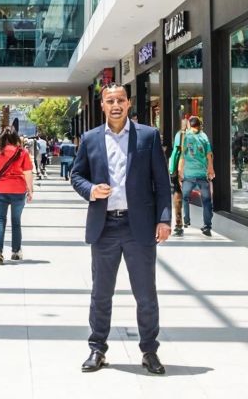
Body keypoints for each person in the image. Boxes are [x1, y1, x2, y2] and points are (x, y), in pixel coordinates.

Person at [70, 83, 171, 375]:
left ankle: (149, 350)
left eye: (121, 100)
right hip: (105, 227)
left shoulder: (148, 136)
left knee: (146, 294)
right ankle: (97, 348)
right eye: (110, 100)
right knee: (101, 293)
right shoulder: (89, 139)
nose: (115, 105)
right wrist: (90, 189)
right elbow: (76, 175)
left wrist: (164, 219)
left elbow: (162, 183)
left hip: (138, 226)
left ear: (128, 104)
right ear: (102, 105)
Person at [0, 128, 34, 264]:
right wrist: (30, 191)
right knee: (16, 222)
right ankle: (16, 252)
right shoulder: (23, 153)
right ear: (16, 138)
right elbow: (28, 173)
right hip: (18, 190)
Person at [176, 116, 215, 237]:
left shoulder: (186, 136)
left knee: (185, 197)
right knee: (207, 201)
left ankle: (186, 220)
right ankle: (207, 226)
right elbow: (209, 155)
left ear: (190, 125)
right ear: (199, 125)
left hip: (189, 174)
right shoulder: (204, 137)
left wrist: (180, 172)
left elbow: (183, 154)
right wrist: (210, 169)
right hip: (202, 174)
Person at [168, 116, 188, 236]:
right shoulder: (200, 135)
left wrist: (172, 170)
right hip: (197, 171)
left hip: (181, 168)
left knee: (178, 194)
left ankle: (179, 224)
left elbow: (176, 152)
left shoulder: (180, 135)